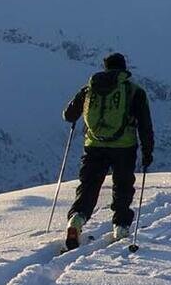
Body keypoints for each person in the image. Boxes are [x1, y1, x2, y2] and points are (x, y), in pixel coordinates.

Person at [61, 51, 153, 249]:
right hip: (124, 147)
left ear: (105, 67)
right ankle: (120, 226)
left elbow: (69, 115)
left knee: (88, 186)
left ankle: (76, 220)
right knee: (122, 186)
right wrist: (148, 152)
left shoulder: (89, 89)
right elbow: (145, 125)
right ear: (124, 68)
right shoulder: (133, 90)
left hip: (93, 146)